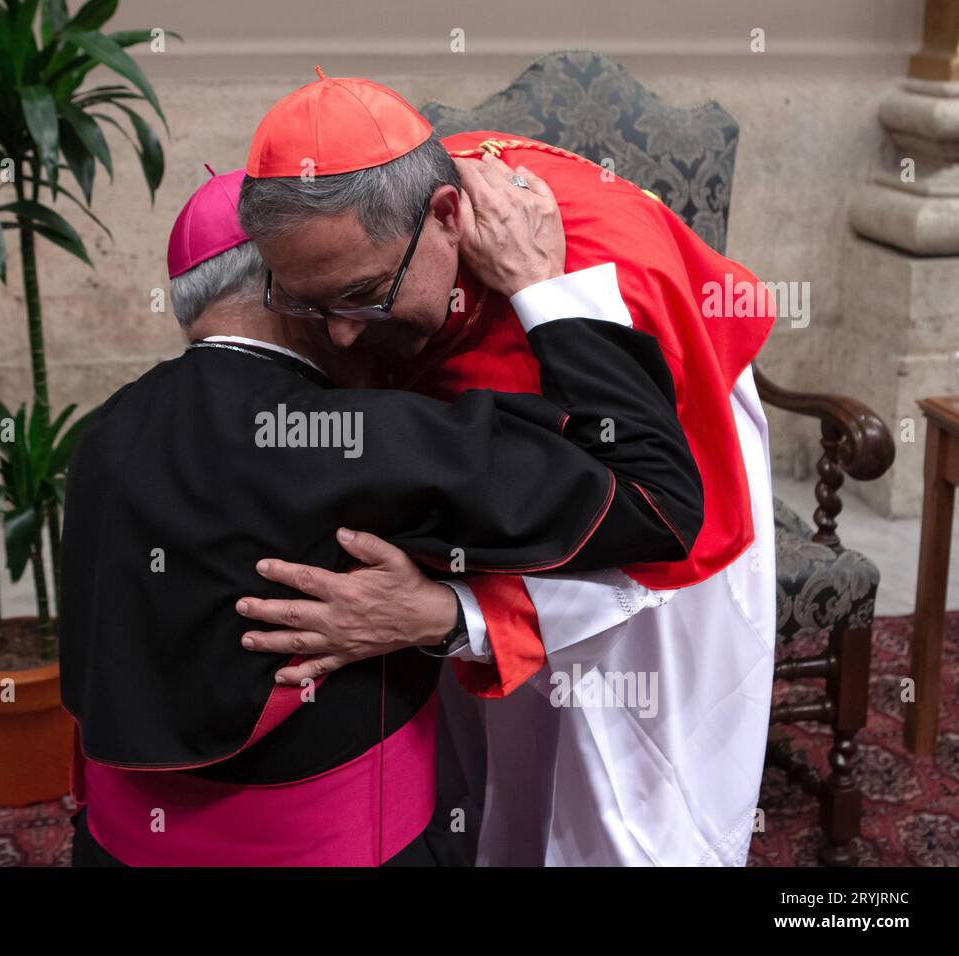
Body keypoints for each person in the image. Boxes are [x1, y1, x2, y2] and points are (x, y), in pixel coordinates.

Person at [58, 165, 703, 866]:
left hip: (110, 847)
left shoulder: (105, 429)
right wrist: (545, 292)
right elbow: (651, 498)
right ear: (290, 287)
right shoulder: (361, 440)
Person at [234, 70, 777, 865]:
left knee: (624, 804)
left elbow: (658, 528)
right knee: (502, 781)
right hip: (501, 524)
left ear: (450, 217)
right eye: (311, 304)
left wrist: (451, 615)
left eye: (362, 298)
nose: (342, 342)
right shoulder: (374, 219)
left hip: (655, 509)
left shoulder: (610, 274)